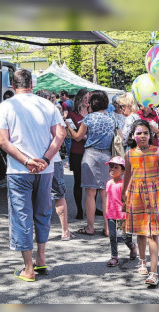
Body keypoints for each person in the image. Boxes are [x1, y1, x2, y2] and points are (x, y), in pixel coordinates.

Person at [0, 69, 66, 282]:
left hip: (19, 170)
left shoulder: (6, 106)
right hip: (46, 169)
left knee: (21, 216)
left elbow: (3, 141)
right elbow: (60, 134)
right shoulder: (48, 104)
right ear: (31, 84)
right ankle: (41, 258)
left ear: (12, 85)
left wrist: (27, 161)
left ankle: (28, 268)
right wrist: (45, 159)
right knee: (42, 213)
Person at [122, 119, 159, 287]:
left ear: (150, 135)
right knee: (140, 231)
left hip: (155, 193)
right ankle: (141, 259)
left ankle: (154, 272)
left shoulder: (157, 151)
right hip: (136, 194)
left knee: (153, 233)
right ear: (133, 136)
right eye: (139, 133)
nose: (143, 136)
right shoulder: (129, 154)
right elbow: (127, 176)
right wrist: (124, 195)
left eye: (146, 133)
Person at [67, 90, 121, 236]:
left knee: (90, 193)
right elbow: (120, 137)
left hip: (91, 155)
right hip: (107, 157)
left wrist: (69, 128)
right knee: (105, 193)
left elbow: (78, 137)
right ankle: (108, 227)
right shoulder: (112, 119)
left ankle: (90, 227)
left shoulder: (89, 118)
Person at [35, 89, 73, 241]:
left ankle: (37, 233)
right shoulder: (53, 111)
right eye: (52, 98)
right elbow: (61, 135)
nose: (54, 101)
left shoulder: (30, 114)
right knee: (59, 195)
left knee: (37, 197)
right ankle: (65, 231)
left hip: (34, 159)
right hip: (53, 159)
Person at [104, 156, 138, 267]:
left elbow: (128, 201)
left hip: (122, 216)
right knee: (112, 236)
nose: (112, 169)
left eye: (115, 167)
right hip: (111, 215)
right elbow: (107, 198)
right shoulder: (109, 183)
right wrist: (106, 214)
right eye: (110, 167)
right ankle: (114, 256)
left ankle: (132, 246)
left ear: (123, 171)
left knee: (125, 238)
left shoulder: (124, 185)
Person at [65, 88, 90, 219]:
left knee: (92, 182)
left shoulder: (93, 113)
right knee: (78, 181)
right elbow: (70, 135)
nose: (87, 100)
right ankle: (80, 210)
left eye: (89, 98)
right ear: (79, 99)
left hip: (91, 152)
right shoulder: (72, 115)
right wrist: (81, 136)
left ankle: (91, 208)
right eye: (85, 98)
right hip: (77, 151)